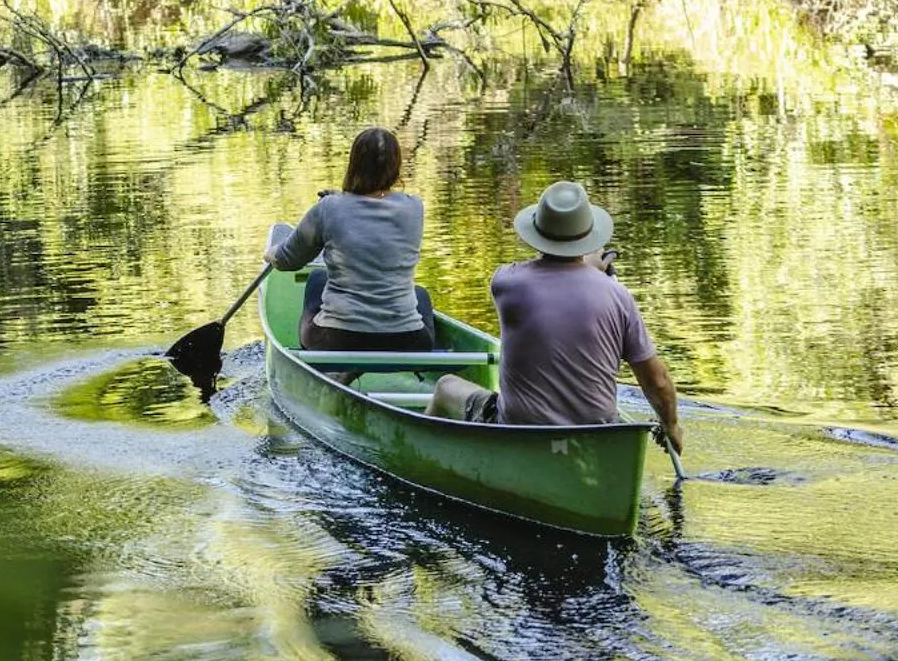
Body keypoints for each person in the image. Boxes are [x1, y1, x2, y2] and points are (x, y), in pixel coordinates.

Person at [430, 180, 682, 451]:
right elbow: (656, 381)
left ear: (537, 233)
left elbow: (555, 279)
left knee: (445, 386)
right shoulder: (618, 296)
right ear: (587, 238)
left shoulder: (508, 282)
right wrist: (671, 426)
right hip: (596, 437)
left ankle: (429, 457)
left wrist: (589, 268)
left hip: (521, 432)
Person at [264, 127, 436, 352]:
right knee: (419, 293)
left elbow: (288, 260)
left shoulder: (329, 208)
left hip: (336, 339)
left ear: (354, 163)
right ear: (396, 166)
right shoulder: (414, 208)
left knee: (317, 279)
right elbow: (373, 209)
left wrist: (270, 253)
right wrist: (341, 199)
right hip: (409, 341)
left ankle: (333, 368)